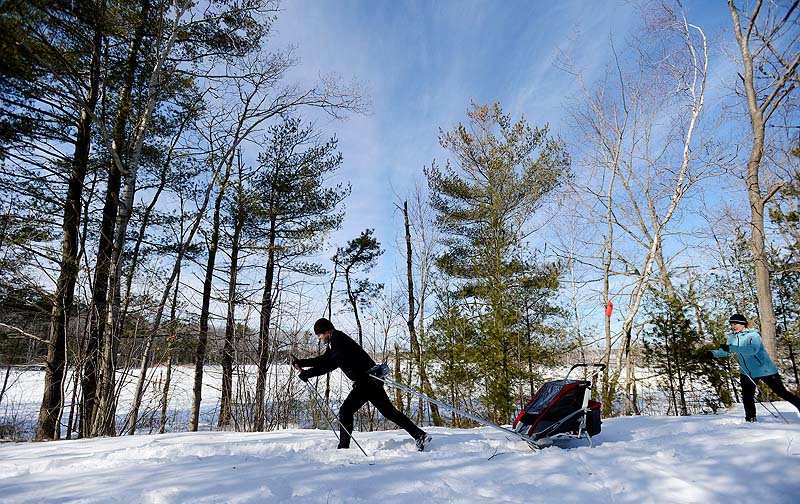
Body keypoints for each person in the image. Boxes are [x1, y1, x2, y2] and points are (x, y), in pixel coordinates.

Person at [292, 317, 431, 451]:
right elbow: (324, 359)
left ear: (327, 332)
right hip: (369, 381)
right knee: (389, 412)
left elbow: (330, 364)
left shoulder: (339, 342)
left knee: (346, 411)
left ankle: (343, 448)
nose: (319, 338)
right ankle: (419, 435)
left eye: (319, 335)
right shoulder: (336, 340)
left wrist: (307, 373)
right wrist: (302, 363)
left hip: (367, 381)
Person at [709, 313, 800, 422]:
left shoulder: (753, 335)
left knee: (782, 393)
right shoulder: (732, 337)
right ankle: (750, 420)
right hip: (747, 372)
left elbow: (752, 350)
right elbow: (727, 352)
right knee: (747, 397)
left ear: (743, 324)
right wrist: (712, 353)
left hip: (765, 370)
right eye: (732, 324)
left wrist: (731, 348)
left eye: (736, 323)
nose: (734, 326)